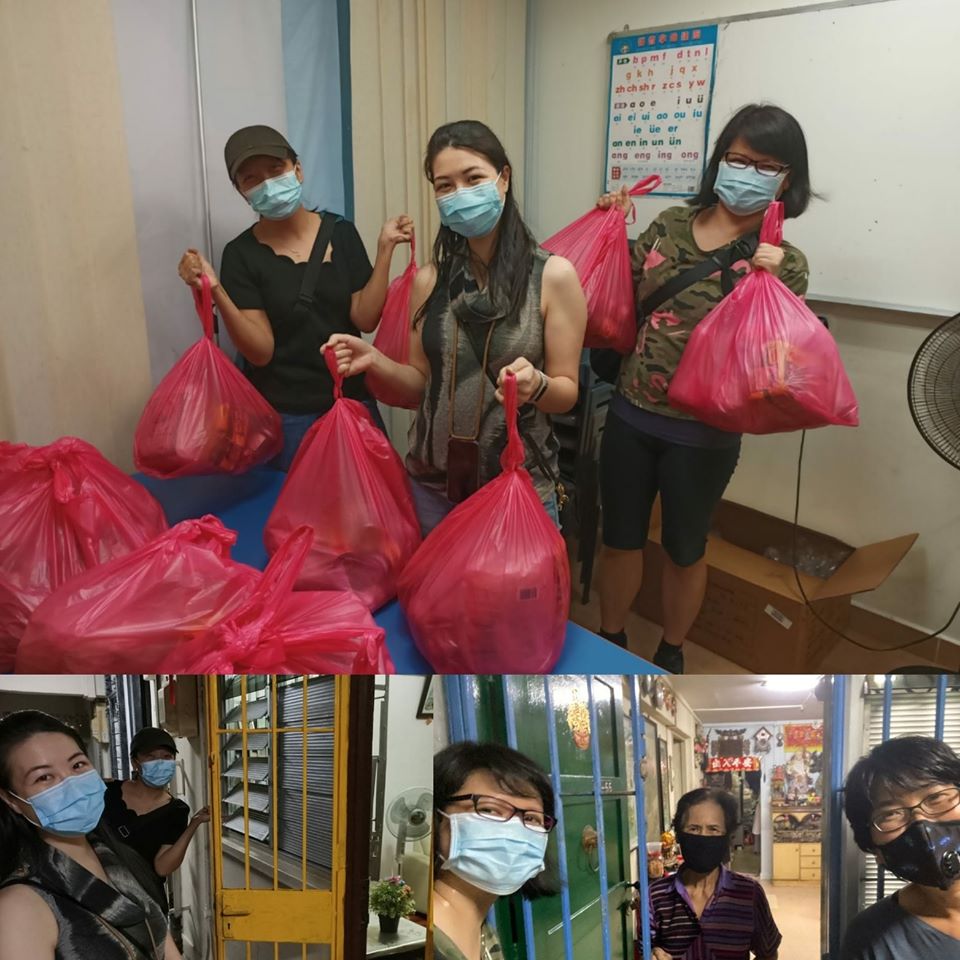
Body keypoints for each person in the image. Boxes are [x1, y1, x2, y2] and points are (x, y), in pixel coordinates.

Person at [595, 104, 813, 672]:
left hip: (707, 432)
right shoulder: (669, 226)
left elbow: (777, 352)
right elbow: (620, 287)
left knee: (686, 548)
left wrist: (774, 273)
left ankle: (671, 650)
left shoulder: (786, 261)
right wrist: (609, 225)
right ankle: (610, 637)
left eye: (763, 165)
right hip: (631, 411)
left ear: (787, 178)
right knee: (619, 537)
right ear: (718, 161)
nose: (745, 173)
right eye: (736, 159)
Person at [323, 120, 588, 535]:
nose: (459, 194)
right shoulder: (430, 281)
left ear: (504, 178)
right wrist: (373, 359)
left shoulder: (552, 277)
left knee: (508, 602)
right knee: (433, 599)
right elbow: (419, 385)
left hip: (515, 488)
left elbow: (567, 392)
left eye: (473, 178)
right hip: (431, 485)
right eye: (444, 186)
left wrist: (537, 384)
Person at [177, 124, 413, 470]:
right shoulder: (241, 254)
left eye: (276, 170)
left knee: (374, 510)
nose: (267, 184)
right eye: (251, 179)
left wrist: (385, 251)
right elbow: (260, 352)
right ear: (241, 191)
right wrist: (216, 290)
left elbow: (364, 317)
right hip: (288, 417)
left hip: (353, 402)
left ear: (297, 170)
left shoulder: (340, 231)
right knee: (298, 518)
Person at [0, 710, 180, 960]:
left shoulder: (118, 858)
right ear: (11, 799)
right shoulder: (18, 908)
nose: (71, 783)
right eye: (44, 777)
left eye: (77, 765)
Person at [433, 740, 559, 960]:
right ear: (436, 818)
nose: (513, 828)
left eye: (530, 818)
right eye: (489, 809)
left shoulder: (482, 931)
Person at [840, 736, 960, 959]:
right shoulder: (869, 937)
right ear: (877, 851)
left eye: (936, 798)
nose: (921, 823)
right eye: (891, 814)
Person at [649, 787, 781, 959]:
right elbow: (644, 948)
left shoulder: (749, 894)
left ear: (727, 836)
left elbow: (768, 954)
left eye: (713, 829)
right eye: (694, 829)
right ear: (679, 835)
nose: (703, 837)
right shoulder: (655, 896)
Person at [102, 727, 209, 913]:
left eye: (167, 757)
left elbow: (162, 867)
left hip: (144, 903)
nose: (160, 763)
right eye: (151, 757)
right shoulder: (107, 793)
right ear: (136, 762)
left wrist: (194, 824)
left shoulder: (176, 811)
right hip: (101, 894)